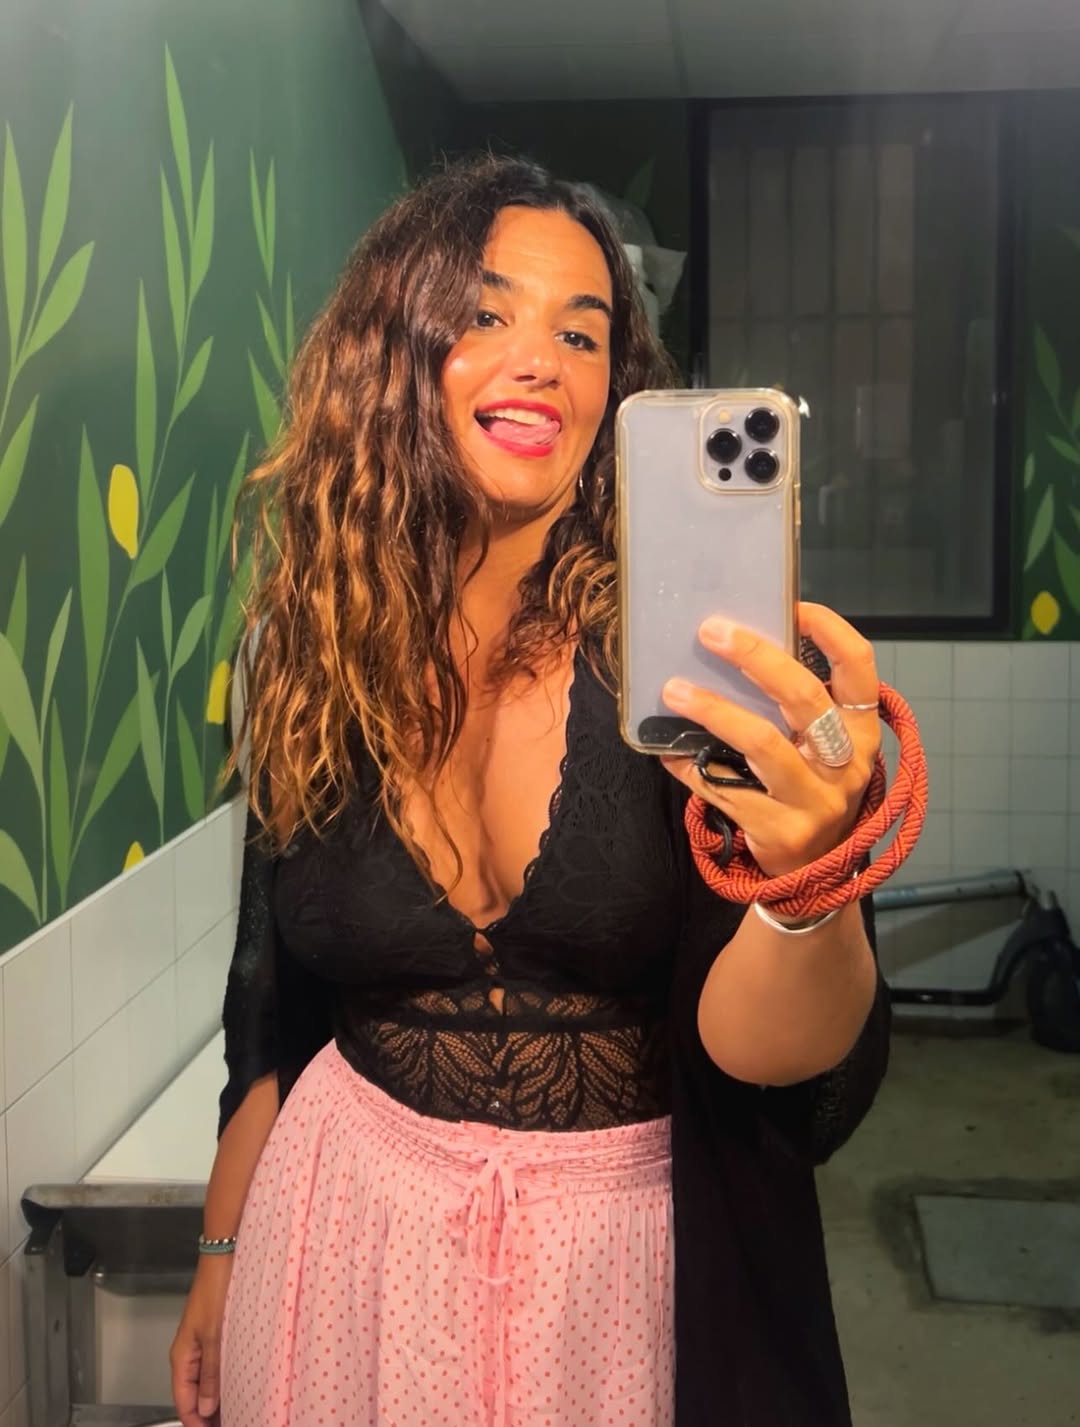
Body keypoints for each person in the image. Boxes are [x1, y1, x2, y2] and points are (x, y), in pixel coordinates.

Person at [170, 155, 890, 1427]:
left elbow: (782, 1066)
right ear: (397, 349)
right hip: (338, 1246)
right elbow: (269, 1002)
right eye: (486, 313)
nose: (539, 362)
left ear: (619, 386)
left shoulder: (698, 664)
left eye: (581, 332)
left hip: (622, 1286)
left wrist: (806, 885)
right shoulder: (311, 647)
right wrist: (220, 1254)